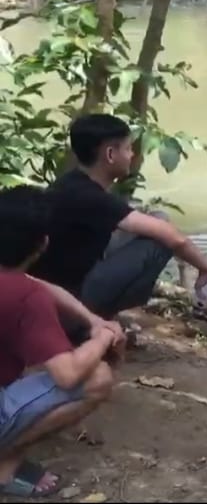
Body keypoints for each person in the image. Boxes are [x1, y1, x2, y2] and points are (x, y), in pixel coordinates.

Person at [28, 113, 207, 344]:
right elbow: (175, 240)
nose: (132, 155)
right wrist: (206, 269)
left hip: (60, 288)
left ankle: (98, 315)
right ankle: (91, 321)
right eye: (128, 148)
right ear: (110, 154)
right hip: (67, 305)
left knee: (158, 218)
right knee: (159, 241)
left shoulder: (73, 183)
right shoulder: (89, 197)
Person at [0, 185, 121, 498]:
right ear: (42, 244)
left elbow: (39, 284)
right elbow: (67, 374)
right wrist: (103, 336)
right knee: (97, 377)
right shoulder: (28, 297)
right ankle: (4, 465)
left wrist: (91, 319)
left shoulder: (22, 285)